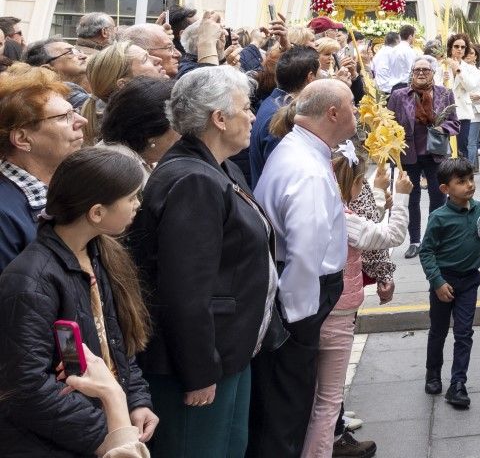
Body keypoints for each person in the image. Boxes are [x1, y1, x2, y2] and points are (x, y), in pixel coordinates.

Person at [128, 67, 276, 458]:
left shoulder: (220, 166)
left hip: (229, 352)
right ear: (219, 118)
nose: (253, 117)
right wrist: (199, 372)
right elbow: (185, 290)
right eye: (246, 108)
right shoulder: (194, 180)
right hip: (199, 363)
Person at [0, 145, 157, 454]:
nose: (138, 205)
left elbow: (116, 341)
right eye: (131, 198)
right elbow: (28, 389)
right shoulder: (30, 280)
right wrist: (110, 433)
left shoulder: (100, 253)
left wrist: (136, 399)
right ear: (96, 212)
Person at [249, 80, 359, 458]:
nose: (356, 113)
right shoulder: (306, 167)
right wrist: (300, 320)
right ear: (332, 113)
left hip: (297, 293)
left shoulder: (301, 150)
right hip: (299, 299)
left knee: (288, 402)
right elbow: (304, 253)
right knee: (288, 406)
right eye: (351, 106)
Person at [304, 150, 405, 458]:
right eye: (360, 183)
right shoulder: (344, 219)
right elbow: (392, 234)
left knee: (314, 395)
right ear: (351, 183)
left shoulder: (320, 209)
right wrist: (400, 198)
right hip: (339, 314)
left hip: (315, 310)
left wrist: (375, 190)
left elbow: (365, 222)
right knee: (330, 399)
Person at [420, 156, 480, 410]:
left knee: (464, 333)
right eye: (461, 182)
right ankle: (433, 373)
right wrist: (437, 282)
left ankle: (458, 384)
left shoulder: (479, 208)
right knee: (439, 331)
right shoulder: (438, 217)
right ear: (445, 189)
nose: (469, 185)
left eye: (470, 180)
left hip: (469, 282)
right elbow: (426, 252)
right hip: (444, 282)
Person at [0, 65, 88, 270]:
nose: (81, 120)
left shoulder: (68, 184)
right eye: (64, 117)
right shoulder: (4, 215)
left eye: (74, 111)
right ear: (22, 139)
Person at [388, 55, 458, 258]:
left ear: (433, 73)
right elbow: (388, 122)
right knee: (411, 198)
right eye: (417, 70)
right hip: (408, 154)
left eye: (425, 70)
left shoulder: (445, 93)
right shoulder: (399, 95)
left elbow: (455, 123)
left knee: (439, 195)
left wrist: (441, 127)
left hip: (435, 153)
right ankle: (415, 241)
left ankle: (433, 240)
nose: (420, 73)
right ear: (411, 73)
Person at [249, 45, 319, 187]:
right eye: (320, 74)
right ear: (311, 78)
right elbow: (286, 178)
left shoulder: (273, 102)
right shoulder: (282, 115)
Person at [98, 77, 180, 170]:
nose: (184, 132)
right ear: (151, 133)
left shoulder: (135, 157)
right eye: (178, 124)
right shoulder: (121, 171)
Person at [438, 34, 480, 168]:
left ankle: (461, 175)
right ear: (450, 48)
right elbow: (436, 87)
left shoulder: (469, 68)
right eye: (456, 46)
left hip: (463, 112)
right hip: (444, 113)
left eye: (463, 47)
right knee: (444, 148)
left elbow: (471, 86)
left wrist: (458, 70)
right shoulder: (442, 66)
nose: (459, 49)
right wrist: (443, 79)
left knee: (462, 147)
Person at [25, 36, 94, 109]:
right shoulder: (56, 97)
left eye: (78, 51)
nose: (83, 56)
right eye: (70, 52)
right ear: (47, 69)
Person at [369, 31, 411, 95]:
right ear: (397, 41)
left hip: (379, 88)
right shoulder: (395, 53)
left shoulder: (378, 53)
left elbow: (372, 68)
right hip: (390, 89)